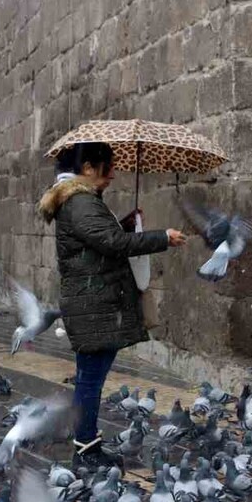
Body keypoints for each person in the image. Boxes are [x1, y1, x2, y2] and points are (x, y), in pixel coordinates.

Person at [37, 141, 186, 469]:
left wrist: (127, 223)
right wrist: (162, 237)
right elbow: (113, 243)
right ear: (88, 168)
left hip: (93, 301)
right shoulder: (80, 202)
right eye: (108, 167)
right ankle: (86, 450)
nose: (113, 175)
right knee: (90, 380)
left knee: (89, 377)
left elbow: (100, 240)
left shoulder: (79, 201)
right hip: (94, 303)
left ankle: (86, 445)